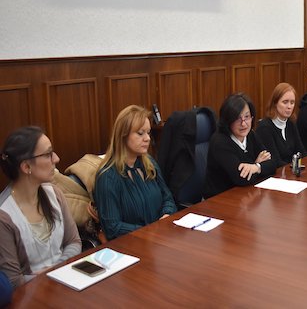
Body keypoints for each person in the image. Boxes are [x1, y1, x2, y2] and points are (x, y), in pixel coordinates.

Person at [0, 126, 81, 288]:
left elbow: (74, 242)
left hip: (65, 282)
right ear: (26, 167)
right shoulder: (4, 215)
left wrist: (53, 270)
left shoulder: (54, 194)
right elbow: (14, 281)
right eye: (48, 154)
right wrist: (53, 274)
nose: (56, 159)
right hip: (30, 295)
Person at [94, 105, 176, 240]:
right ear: (123, 135)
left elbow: (168, 198)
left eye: (148, 132)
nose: (148, 138)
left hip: (159, 239)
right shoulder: (108, 177)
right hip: (131, 246)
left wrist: (166, 215)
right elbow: (112, 228)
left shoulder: (149, 163)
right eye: (140, 133)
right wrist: (150, 231)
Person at [203, 93, 277, 199]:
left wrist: (255, 168)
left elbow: (273, 163)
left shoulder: (250, 135)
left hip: (245, 196)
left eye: (247, 117)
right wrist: (257, 164)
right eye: (238, 118)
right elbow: (241, 179)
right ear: (228, 120)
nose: (244, 124)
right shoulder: (219, 142)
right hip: (219, 200)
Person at [256, 83, 307, 167]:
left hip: (292, 171)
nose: (289, 106)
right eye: (285, 102)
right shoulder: (265, 128)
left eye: (292, 102)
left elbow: (301, 151)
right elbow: (276, 162)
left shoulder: (291, 123)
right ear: (275, 103)